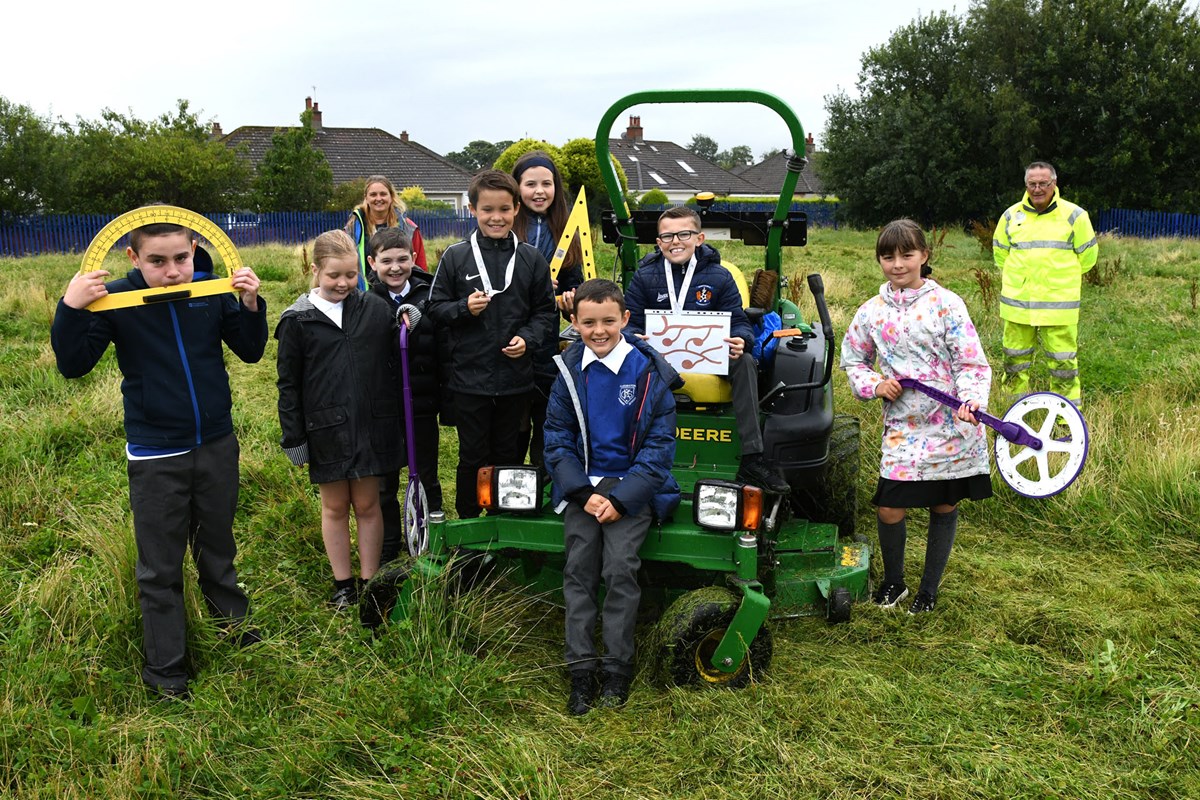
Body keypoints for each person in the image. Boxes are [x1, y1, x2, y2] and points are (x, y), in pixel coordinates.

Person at [50, 217, 267, 700]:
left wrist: (251, 304)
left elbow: (251, 351)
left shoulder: (211, 290)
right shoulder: (116, 301)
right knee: (160, 565)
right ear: (132, 258)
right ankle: (167, 670)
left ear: (195, 249)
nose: (172, 271)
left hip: (215, 442)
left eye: (182, 259)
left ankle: (231, 627)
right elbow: (72, 364)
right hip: (155, 452)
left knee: (217, 544)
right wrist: (70, 307)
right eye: (157, 261)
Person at [840, 219, 993, 615]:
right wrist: (875, 384)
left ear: (924, 256)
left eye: (907, 255)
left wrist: (972, 400)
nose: (897, 264)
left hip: (952, 425)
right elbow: (854, 359)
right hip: (903, 427)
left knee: (944, 505)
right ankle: (894, 584)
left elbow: (971, 362)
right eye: (888, 256)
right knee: (890, 507)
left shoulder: (947, 304)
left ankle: (928, 591)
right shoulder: (870, 312)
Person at [543, 278, 681, 715]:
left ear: (625, 319)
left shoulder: (650, 374)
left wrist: (621, 500)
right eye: (588, 322)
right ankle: (581, 670)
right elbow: (556, 439)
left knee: (620, 569)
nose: (598, 330)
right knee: (579, 569)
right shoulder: (567, 371)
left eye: (607, 320)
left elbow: (659, 452)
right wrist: (582, 493)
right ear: (574, 322)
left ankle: (618, 668)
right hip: (582, 488)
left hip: (631, 489)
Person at [275, 229, 402, 609]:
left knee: (367, 505)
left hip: (369, 426)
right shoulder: (297, 321)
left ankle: (369, 580)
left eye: (351, 275)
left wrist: (411, 317)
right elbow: (288, 385)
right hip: (325, 429)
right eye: (334, 276)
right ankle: (343, 584)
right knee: (334, 507)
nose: (343, 283)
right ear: (315, 271)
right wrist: (293, 437)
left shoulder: (374, 309)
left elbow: (402, 333)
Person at [624, 205, 789, 494]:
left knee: (745, 361)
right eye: (667, 236)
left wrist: (742, 340)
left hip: (708, 357)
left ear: (699, 238)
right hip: (659, 359)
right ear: (658, 242)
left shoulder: (719, 277)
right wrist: (633, 336)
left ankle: (752, 457)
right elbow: (629, 322)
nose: (675, 242)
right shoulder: (644, 277)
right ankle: (624, 448)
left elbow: (739, 322)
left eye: (683, 234)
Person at [427, 170, 557, 519]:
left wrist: (528, 340)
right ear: (472, 210)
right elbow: (434, 309)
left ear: (517, 209)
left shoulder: (531, 259)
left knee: (509, 454)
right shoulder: (455, 256)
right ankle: (469, 527)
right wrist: (463, 309)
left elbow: (546, 313)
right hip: (470, 380)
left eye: (503, 209)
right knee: (472, 455)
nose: (496, 217)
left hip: (516, 380)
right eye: (487, 210)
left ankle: (506, 523)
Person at [366, 226, 443, 562]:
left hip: (422, 403)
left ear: (413, 258)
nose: (395, 268)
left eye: (402, 259)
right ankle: (389, 546)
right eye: (386, 261)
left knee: (426, 473)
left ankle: (432, 538)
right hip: (383, 407)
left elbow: (443, 343)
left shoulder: (430, 296)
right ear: (373, 263)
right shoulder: (366, 301)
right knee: (385, 481)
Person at [993, 161, 1098, 406]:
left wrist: (1058, 283)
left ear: (1054, 184)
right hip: (1018, 307)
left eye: (1043, 183)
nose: (1038, 189)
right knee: (1014, 363)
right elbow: (1000, 254)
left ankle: (1065, 419)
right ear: (1026, 185)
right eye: (1032, 184)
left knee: (1063, 366)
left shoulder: (1075, 216)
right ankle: (1013, 416)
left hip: (1059, 309)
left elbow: (1089, 258)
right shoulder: (1010, 216)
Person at [511, 151, 584, 467]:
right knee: (514, 421)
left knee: (545, 412)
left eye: (546, 184)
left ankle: (543, 475)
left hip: (545, 337)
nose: (539, 191)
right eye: (530, 184)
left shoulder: (567, 228)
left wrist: (571, 299)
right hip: (510, 333)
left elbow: (575, 280)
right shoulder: (507, 225)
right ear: (517, 188)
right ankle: (510, 481)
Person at [346, 175, 428, 289]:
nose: (378, 198)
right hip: (363, 296)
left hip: (402, 296)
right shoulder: (352, 228)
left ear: (391, 196)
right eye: (373, 194)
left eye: (383, 194)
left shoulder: (409, 228)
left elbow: (420, 266)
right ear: (366, 197)